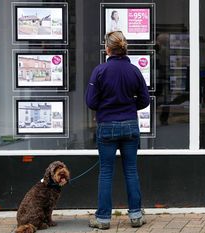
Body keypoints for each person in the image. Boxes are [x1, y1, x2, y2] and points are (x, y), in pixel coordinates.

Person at [86, 31, 150, 230]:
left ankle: (103, 219)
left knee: (106, 172)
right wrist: (129, 107)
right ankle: (136, 216)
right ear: (124, 48)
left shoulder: (100, 71)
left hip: (107, 126)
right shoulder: (134, 71)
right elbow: (145, 100)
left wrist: (107, 107)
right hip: (130, 124)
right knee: (131, 171)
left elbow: (91, 101)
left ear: (107, 49)